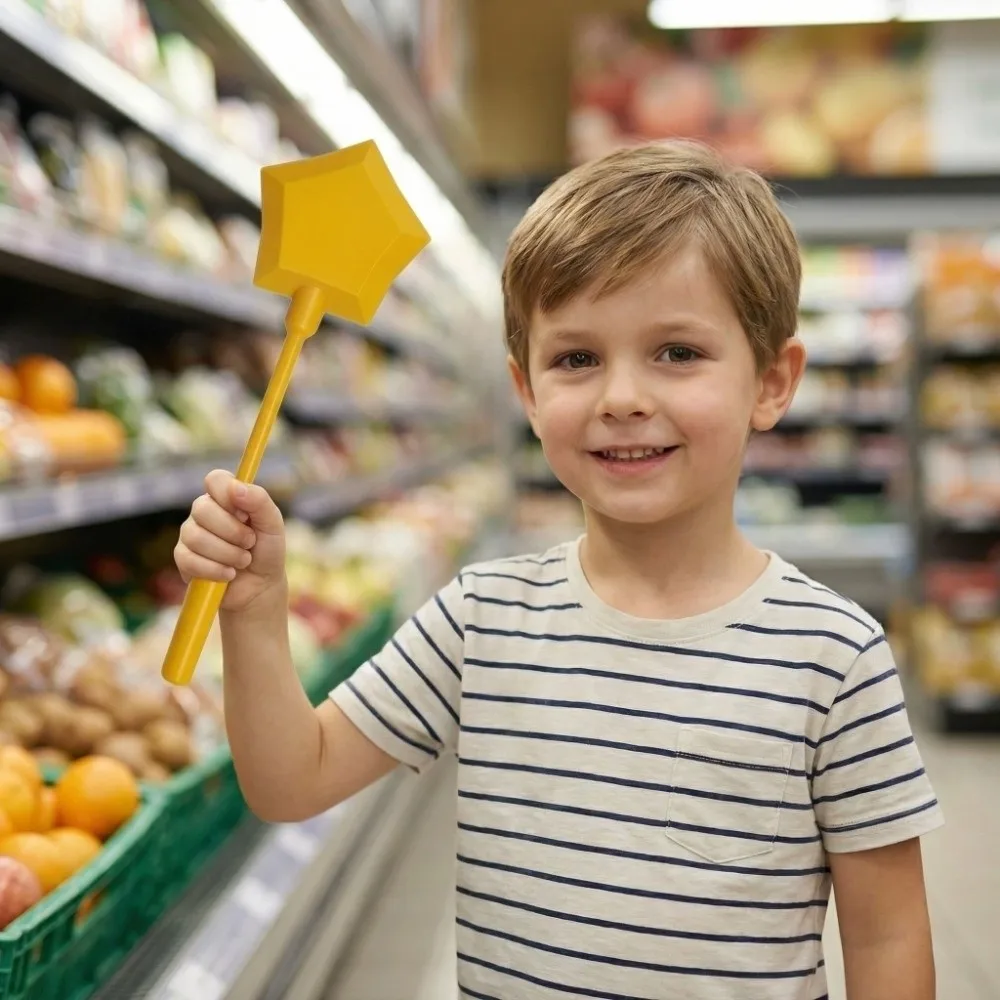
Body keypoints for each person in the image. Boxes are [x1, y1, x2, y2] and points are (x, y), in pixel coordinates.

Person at [174, 140, 941, 1000]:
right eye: (576, 358)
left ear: (772, 381)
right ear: (528, 392)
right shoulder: (481, 619)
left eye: (677, 352)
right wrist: (254, 610)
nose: (621, 397)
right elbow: (291, 779)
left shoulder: (833, 656)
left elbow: (889, 937)